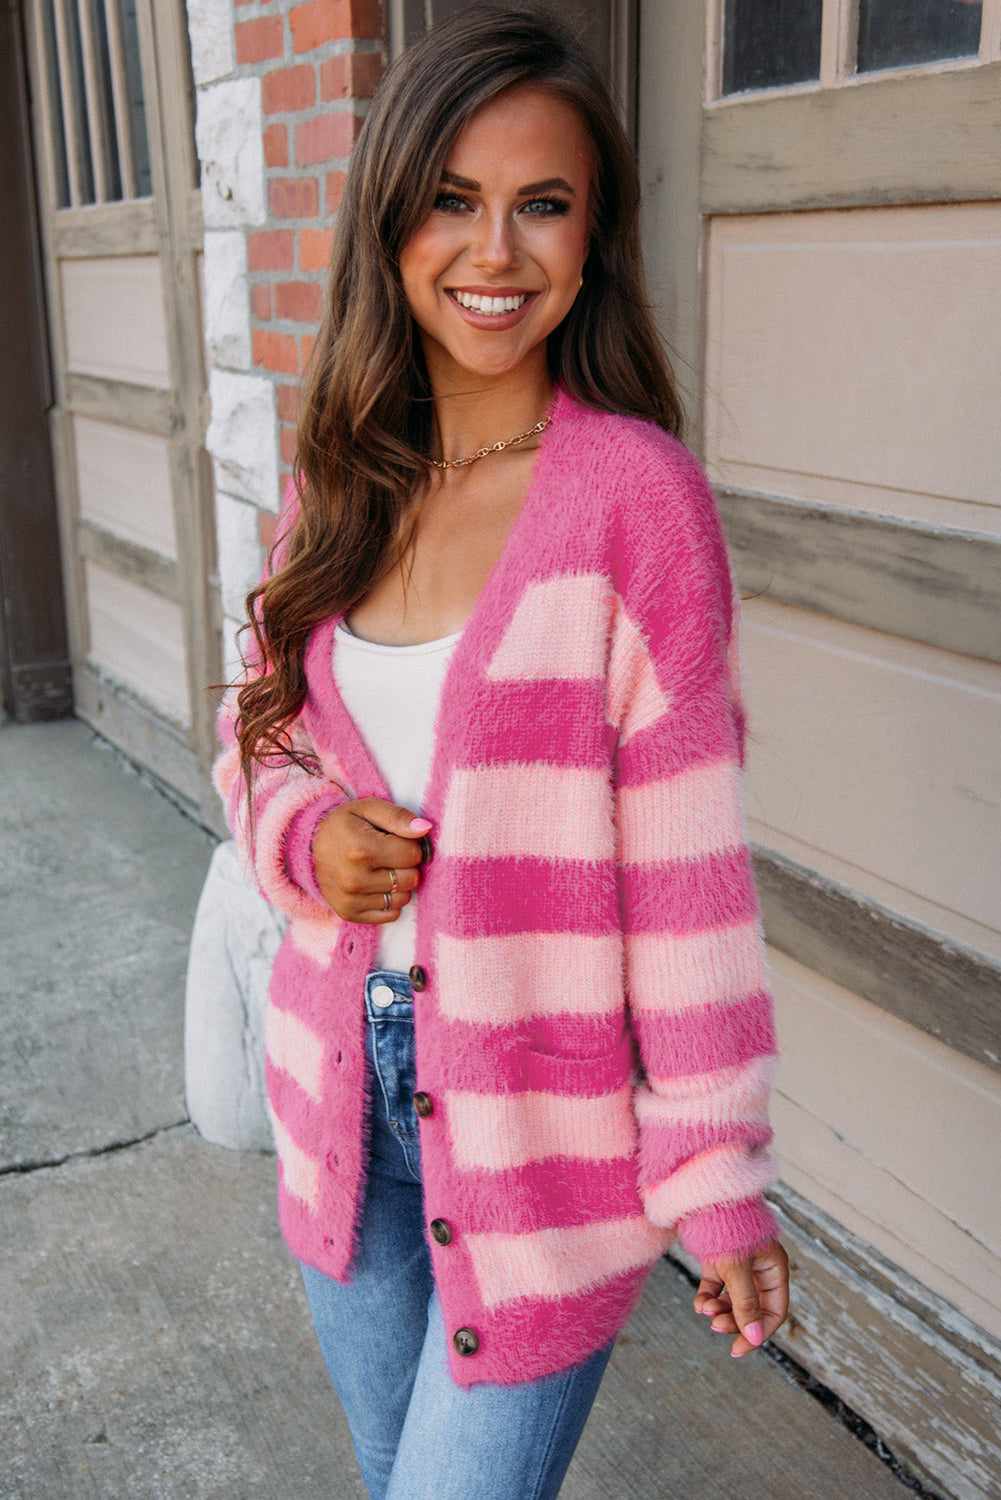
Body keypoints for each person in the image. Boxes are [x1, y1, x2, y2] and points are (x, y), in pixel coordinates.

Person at [214, 6, 790, 1497]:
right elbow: (250, 724)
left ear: (593, 239)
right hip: (338, 1104)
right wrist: (303, 836)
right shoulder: (342, 468)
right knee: (388, 1466)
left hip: (541, 1144)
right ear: (390, 223)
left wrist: (717, 1183)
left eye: (543, 205)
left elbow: (689, 890)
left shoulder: (632, 505)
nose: (495, 252)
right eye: (452, 202)